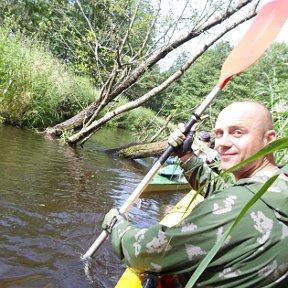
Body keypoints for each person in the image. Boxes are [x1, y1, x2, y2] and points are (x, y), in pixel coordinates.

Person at [102, 101, 288, 287]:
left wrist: (117, 225)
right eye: (219, 134)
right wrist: (186, 156)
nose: (222, 143)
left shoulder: (237, 207)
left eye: (237, 132)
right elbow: (226, 191)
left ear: (269, 140)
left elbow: (143, 252)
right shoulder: (278, 185)